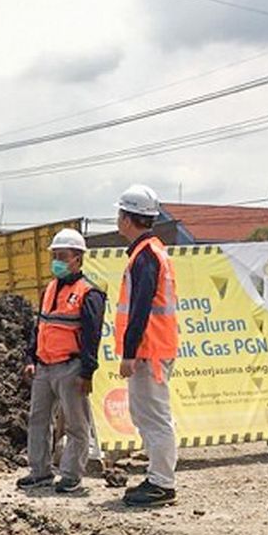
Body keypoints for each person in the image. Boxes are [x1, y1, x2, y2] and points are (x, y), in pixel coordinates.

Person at [20, 228, 106, 494]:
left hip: (71, 367)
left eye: (62, 255)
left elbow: (92, 336)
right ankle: (40, 471)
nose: (56, 260)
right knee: (38, 419)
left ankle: (71, 475)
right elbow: (41, 325)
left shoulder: (89, 293)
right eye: (54, 255)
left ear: (77, 258)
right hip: (45, 367)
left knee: (76, 424)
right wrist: (31, 357)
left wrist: (87, 372)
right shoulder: (50, 289)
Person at [114, 184, 180, 507]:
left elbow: (140, 308)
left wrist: (129, 352)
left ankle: (162, 483)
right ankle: (158, 476)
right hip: (152, 348)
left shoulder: (146, 257)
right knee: (147, 415)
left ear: (127, 218)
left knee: (154, 417)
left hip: (148, 351)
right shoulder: (151, 252)